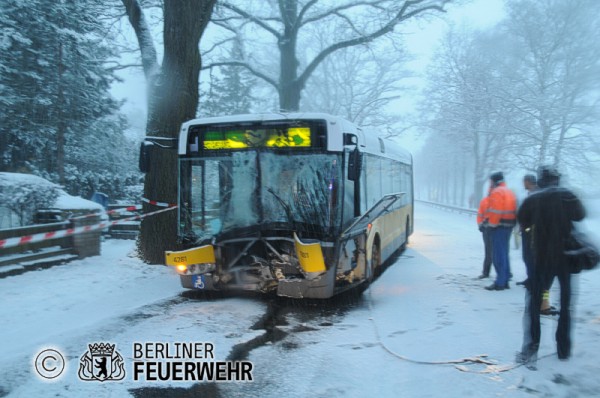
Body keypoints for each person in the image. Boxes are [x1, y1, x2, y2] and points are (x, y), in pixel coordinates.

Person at [516, 166, 585, 364]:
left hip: (541, 260)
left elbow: (523, 221)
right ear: (558, 179)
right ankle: (564, 349)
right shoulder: (568, 196)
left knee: (533, 305)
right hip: (565, 259)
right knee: (566, 305)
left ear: (541, 179)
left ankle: (530, 350)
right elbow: (580, 215)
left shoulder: (533, 199)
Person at [517, 174, 556, 315]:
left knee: (543, 278)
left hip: (539, 245)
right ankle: (542, 305)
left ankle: (541, 304)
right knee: (545, 279)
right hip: (546, 246)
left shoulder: (536, 199)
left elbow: (523, 218)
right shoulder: (553, 200)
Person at [484, 172, 517, 291]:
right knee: (504, 253)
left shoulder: (497, 192)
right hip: (508, 226)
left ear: (494, 181)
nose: (490, 183)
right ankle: (506, 278)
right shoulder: (508, 191)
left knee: (498, 255)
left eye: (491, 181)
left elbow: (496, 211)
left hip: (499, 226)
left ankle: (500, 282)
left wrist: (491, 225)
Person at [476, 192, 493, 279]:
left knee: (489, 252)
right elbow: (480, 214)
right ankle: (486, 271)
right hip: (488, 229)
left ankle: (486, 272)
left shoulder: (485, 200)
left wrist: (480, 225)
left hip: (490, 229)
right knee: (490, 252)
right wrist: (480, 225)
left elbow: (480, 215)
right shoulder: (485, 201)